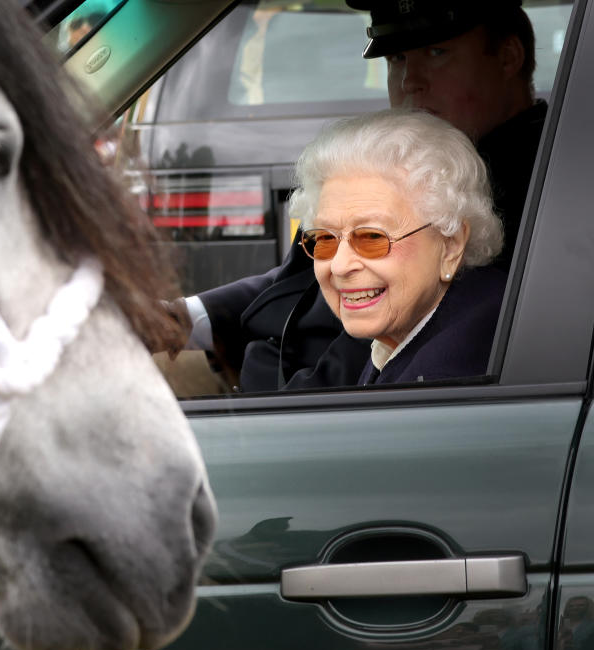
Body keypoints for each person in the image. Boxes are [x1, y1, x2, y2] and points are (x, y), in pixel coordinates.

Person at [164, 0, 543, 393]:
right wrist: (186, 318)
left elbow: (391, 345)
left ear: (508, 57)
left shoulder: (536, 192)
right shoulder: (381, 171)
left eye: (437, 53)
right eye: (396, 58)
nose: (411, 80)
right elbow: (294, 282)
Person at [290, 109, 505, 386]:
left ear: (450, 246)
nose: (340, 265)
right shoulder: (414, 328)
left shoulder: (451, 377)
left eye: (371, 237)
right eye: (326, 239)